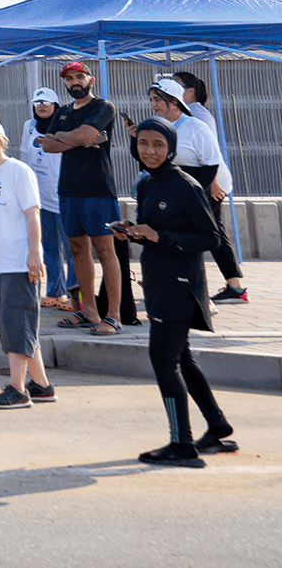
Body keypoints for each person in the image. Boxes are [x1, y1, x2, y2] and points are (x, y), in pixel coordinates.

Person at [112, 116, 236, 465]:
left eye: (158, 145)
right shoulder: (146, 183)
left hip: (180, 284)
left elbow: (210, 238)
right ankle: (217, 426)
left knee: (164, 361)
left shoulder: (186, 185)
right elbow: (155, 231)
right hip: (157, 281)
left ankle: (181, 445)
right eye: (143, 143)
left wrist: (160, 236)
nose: (149, 151)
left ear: (171, 148)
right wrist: (133, 231)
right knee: (182, 358)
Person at [0, 117, 57, 410]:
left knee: (16, 322)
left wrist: (34, 254)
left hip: (18, 261)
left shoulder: (19, 171)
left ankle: (18, 389)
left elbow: (33, 215)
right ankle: (41, 385)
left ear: (3, 139)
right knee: (12, 325)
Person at [38, 62, 129, 333]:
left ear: (90, 79)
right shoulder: (63, 111)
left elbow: (85, 134)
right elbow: (48, 145)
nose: (74, 82)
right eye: (69, 78)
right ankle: (88, 310)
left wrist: (67, 137)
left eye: (79, 77)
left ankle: (113, 315)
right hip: (68, 190)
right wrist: (78, 139)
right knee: (77, 249)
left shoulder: (104, 107)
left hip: (97, 189)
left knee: (105, 251)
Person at [159, 74, 246, 305]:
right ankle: (233, 285)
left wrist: (213, 183)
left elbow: (210, 151)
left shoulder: (197, 114)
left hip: (208, 183)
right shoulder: (176, 116)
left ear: (188, 92)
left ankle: (211, 286)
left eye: (176, 85)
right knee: (211, 231)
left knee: (203, 232)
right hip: (196, 183)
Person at [17, 87, 74, 310]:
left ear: (55, 106)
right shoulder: (29, 126)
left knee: (72, 249)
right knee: (49, 248)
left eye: (46, 103)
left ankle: (75, 296)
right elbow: (25, 156)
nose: (42, 106)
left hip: (63, 196)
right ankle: (55, 292)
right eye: (38, 102)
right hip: (40, 199)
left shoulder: (65, 126)